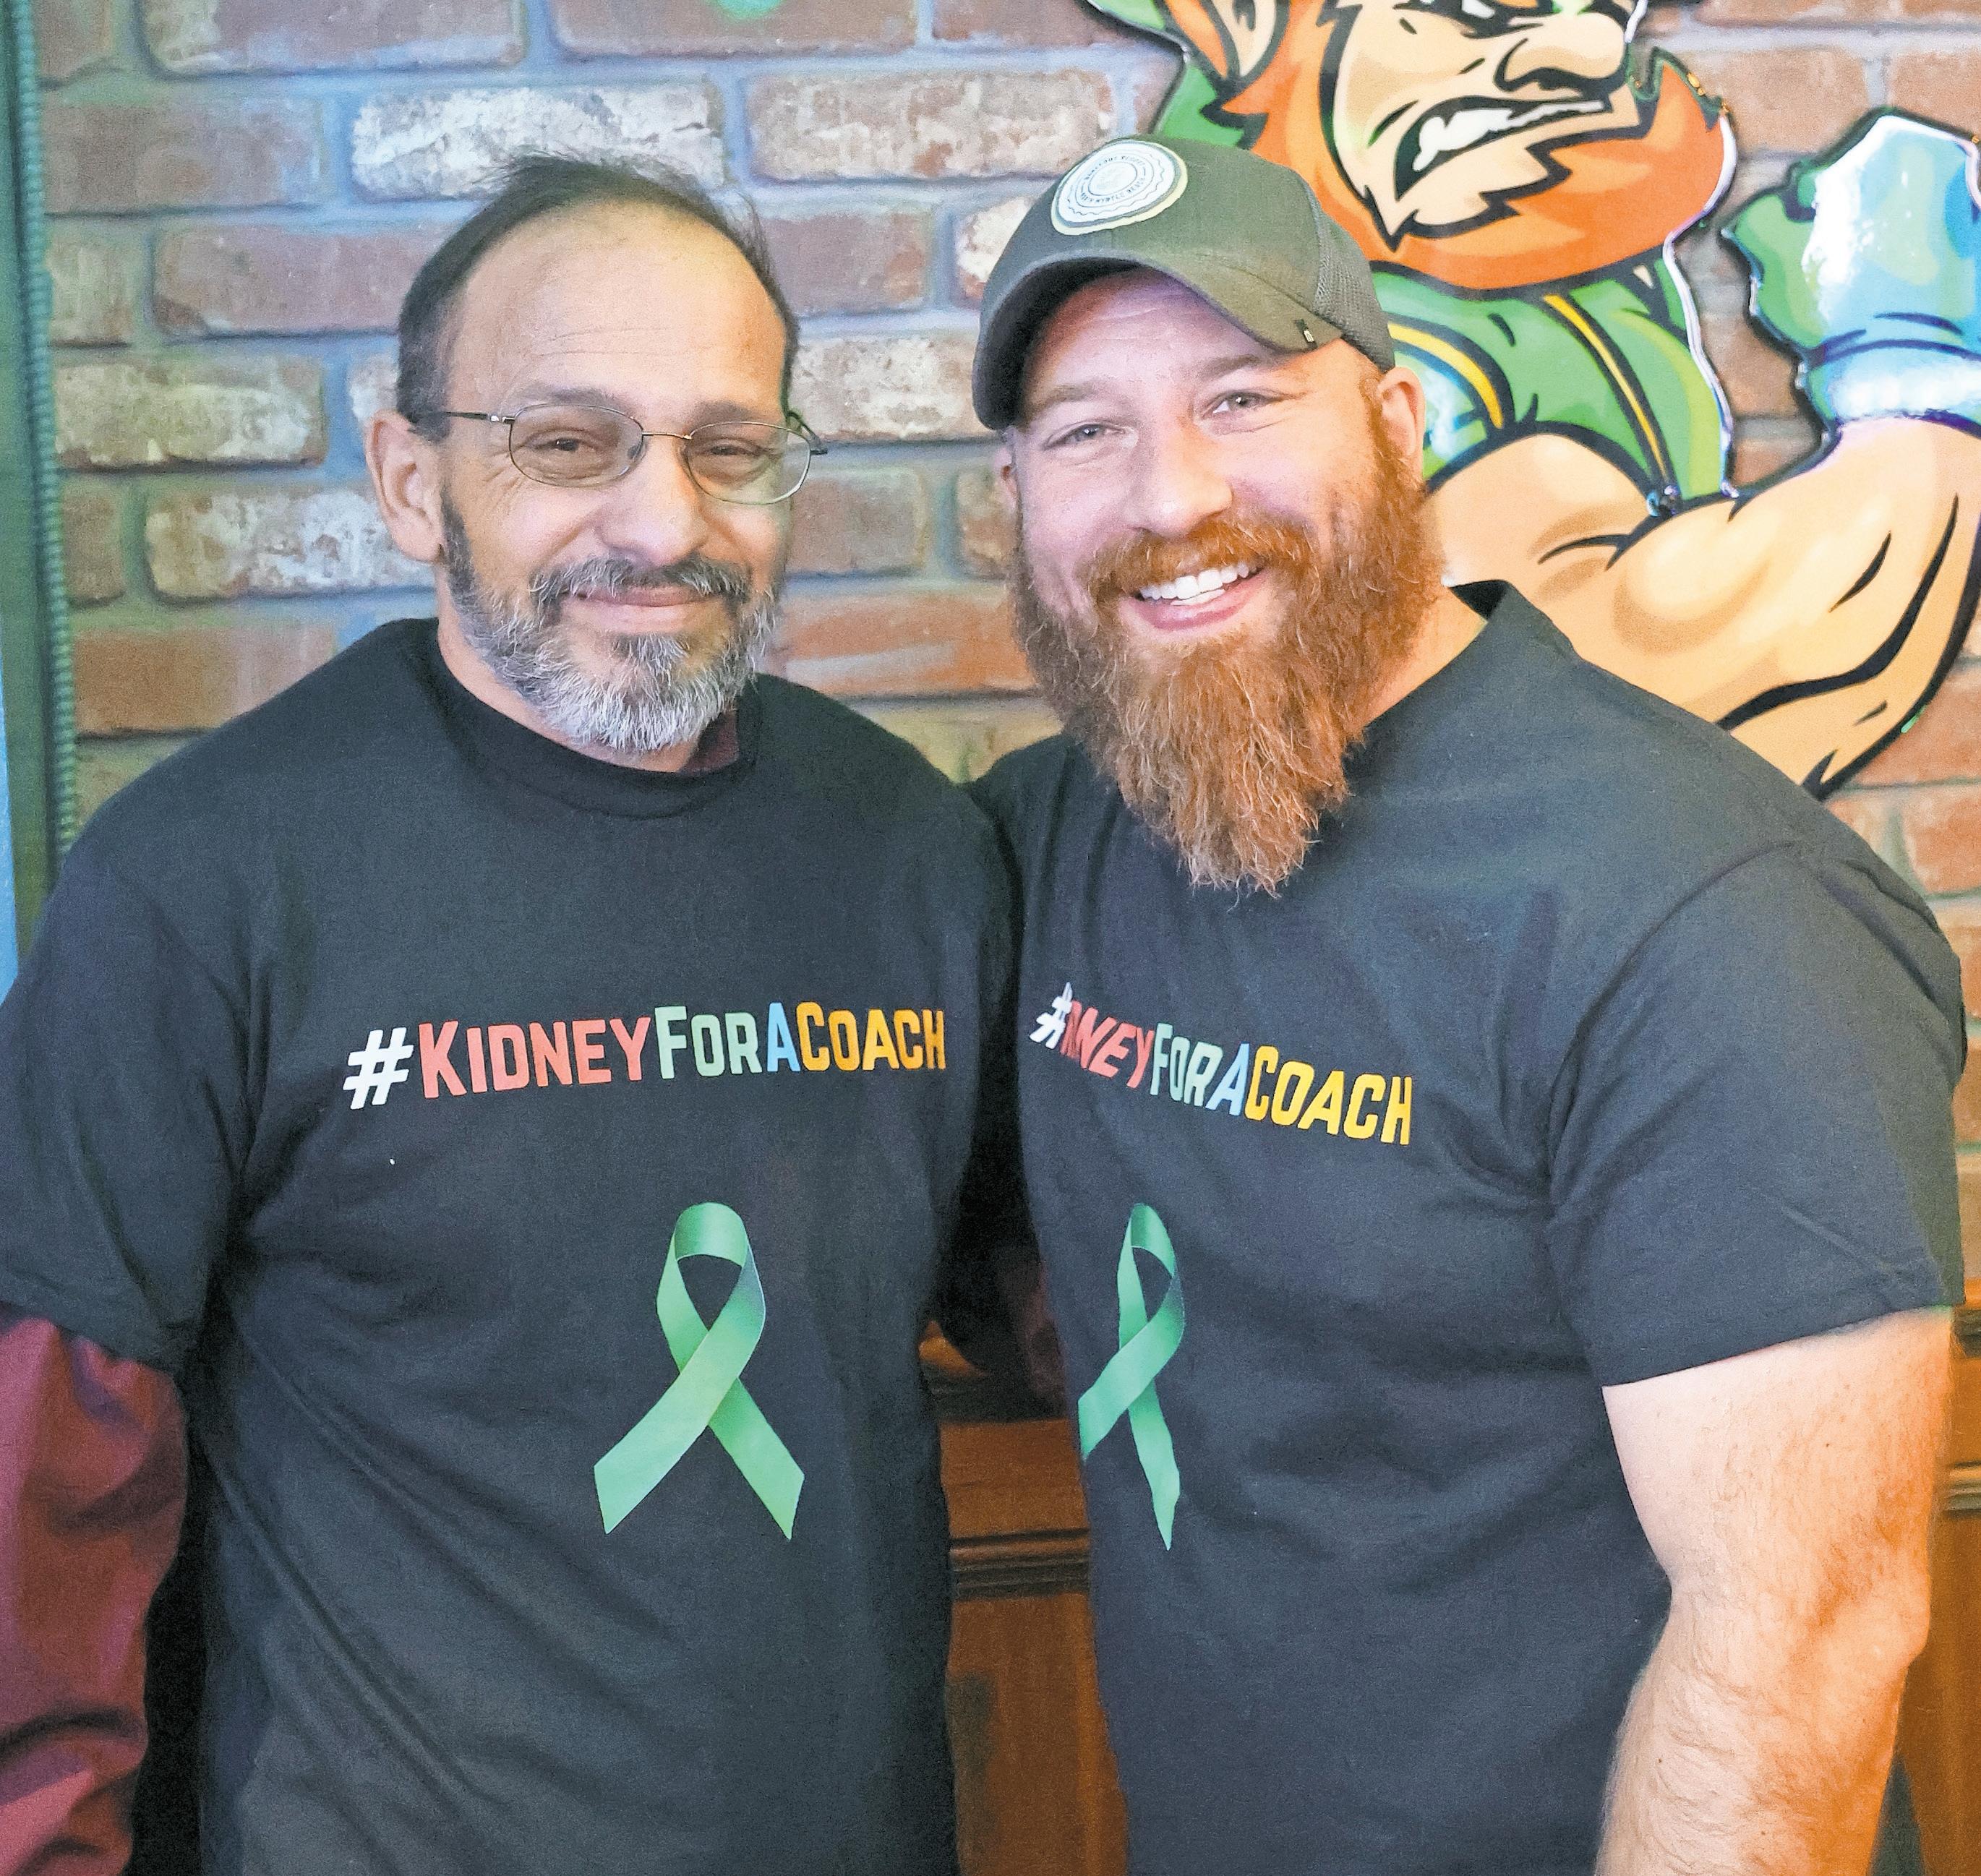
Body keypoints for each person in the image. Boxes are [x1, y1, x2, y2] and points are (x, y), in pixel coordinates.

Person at [0, 155, 1010, 1876]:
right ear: (414, 480)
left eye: (728, 447)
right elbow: (40, 1489)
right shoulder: (204, 879)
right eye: (567, 443)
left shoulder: (911, 848)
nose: (663, 522)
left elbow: (1057, 1294)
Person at [967, 134, 1963, 1876]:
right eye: (1083, 432)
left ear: (1398, 421)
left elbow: (1796, 1644)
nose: (1167, 493)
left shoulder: (1700, 909)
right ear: (1016, 496)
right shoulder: (1049, 836)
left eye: (1241, 396)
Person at [1087, 0, 1981, 794]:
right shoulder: (1361, 350)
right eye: (1473, 11)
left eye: (1602, 10)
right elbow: (1623, 686)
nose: (1589, 52)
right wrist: (1908, 365)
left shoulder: (1537, 247)